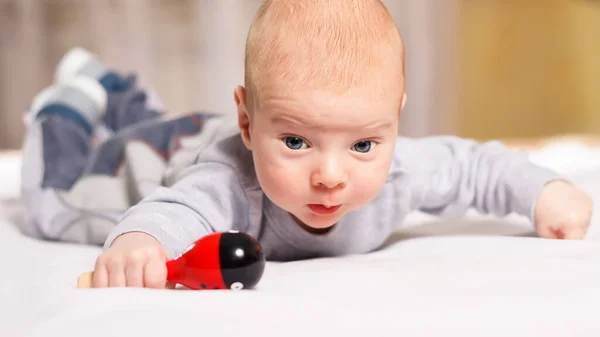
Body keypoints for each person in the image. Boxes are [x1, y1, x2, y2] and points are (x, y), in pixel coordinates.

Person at [19, 0, 592, 289]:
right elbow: (176, 209)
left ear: (395, 117)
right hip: (162, 157)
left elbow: (472, 167)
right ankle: (69, 103)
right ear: (250, 122)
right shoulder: (229, 183)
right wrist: (141, 242)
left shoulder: (400, 170)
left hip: (203, 127)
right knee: (59, 204)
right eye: (296, 140)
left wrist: (543, 190)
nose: (331, 176)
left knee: (153, 121)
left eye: (363, 145)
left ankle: (115, 87)